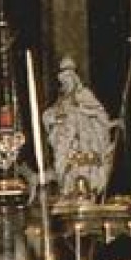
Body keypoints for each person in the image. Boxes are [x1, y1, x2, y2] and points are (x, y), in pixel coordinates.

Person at [41, 56, 116, 199]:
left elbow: (99, 113)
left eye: (69, 80)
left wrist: (81, 110)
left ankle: (88, 192)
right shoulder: (61, 101)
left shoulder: (84, 94)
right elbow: (49, 116)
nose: (66, 83)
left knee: (86, 171)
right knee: (66, 170)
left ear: (74, 79)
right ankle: (69, 190)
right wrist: (57, 119)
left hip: (86, 144)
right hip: (67, 146)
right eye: (63, 81)